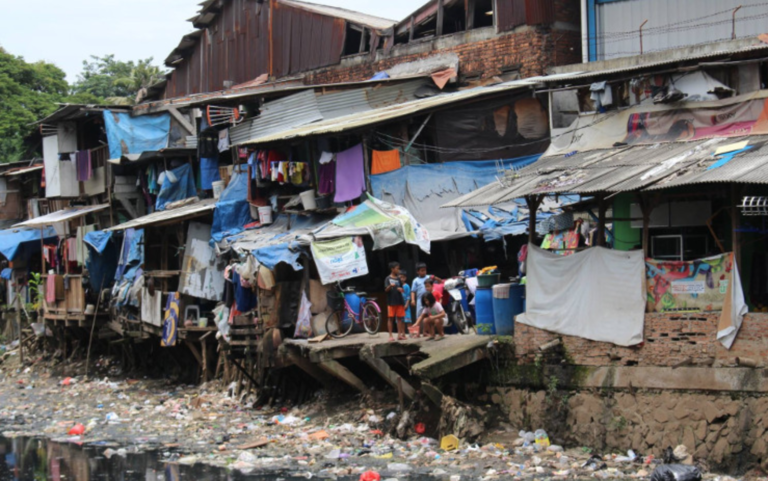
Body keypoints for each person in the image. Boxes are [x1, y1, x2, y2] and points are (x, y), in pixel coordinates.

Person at [411, 263, 442, 327]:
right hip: (420, 300)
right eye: (422, 270)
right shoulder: (415, 280)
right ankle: (418, 332)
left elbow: (440, 281)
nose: (424, 272)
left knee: (431, 315)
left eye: (425, 270)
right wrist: (413, 300)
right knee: (419, 316)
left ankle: (430, 332)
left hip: (430, 300)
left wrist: (434, 277)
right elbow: (413, 291)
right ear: (418, 271)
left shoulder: (429, 277)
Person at [385, 261, 406, 341]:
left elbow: (401, 288)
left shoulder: (398, 279)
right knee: (390, 318)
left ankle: (399, 335)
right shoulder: (388, 278)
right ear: (392, 269)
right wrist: (390, 286)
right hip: (391, 301)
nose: (398, 270)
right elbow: (386, 290)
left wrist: (401, 289)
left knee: (399, 318)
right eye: (397, 268)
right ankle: (390, 335)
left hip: (399, 301)